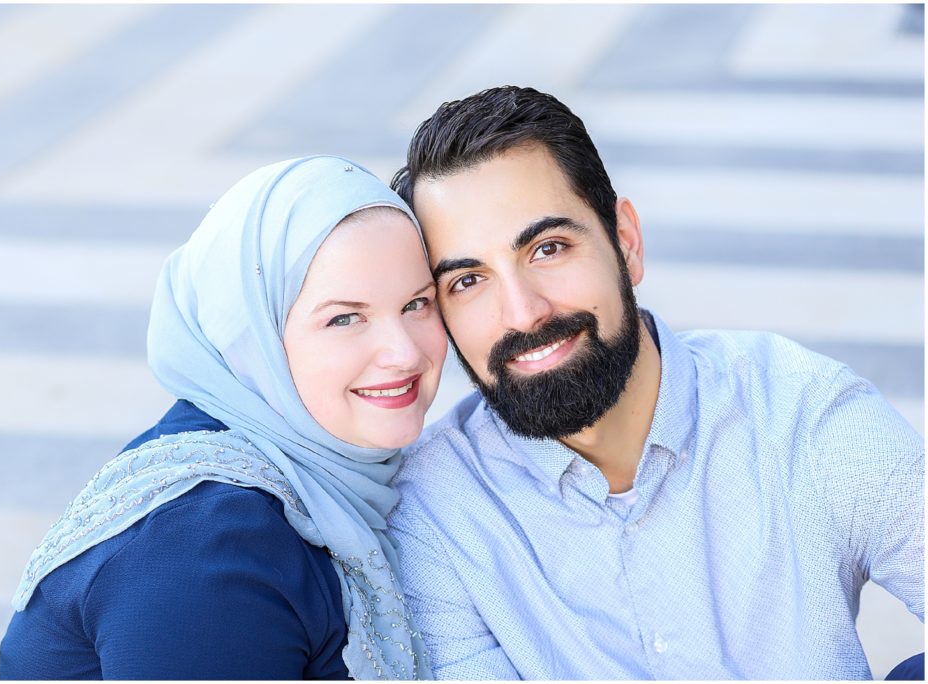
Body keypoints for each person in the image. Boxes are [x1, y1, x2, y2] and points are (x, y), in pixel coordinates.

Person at [386, 86, 924, 680]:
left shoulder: (801, 415)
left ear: (626, 243)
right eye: (467, 281)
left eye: (548, 248)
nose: (522, 313)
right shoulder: (436, 512)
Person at [0, 155, 447, 679]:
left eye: (417, 304)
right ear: (251, 340)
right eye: (344, 318)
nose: (403, 352)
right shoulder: (206, 552)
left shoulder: (318, 474)